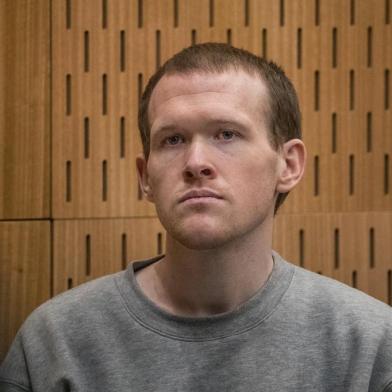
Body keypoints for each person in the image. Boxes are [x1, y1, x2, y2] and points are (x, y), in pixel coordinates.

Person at [1, 43, 391, 391]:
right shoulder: (55, 342)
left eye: (226, 134)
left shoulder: (371, 346)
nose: (196, 163)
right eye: (172, 140)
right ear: (145, 177)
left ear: (288, 165)